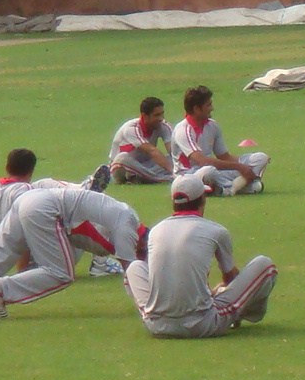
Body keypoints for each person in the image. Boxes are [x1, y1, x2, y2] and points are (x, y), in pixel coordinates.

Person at [0, 186, 144, 322]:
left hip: (31, 200)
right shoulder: (127, 227)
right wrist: (147, 308)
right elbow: (131, 273)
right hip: (46, 208)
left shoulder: (119, 218)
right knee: (60, 272)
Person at [126, 169, 278, 337]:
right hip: (201, 325)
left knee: (134, 268)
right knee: (266, 265)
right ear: (203, 199)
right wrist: (220, 291)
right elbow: (230, 278)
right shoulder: (216, 231)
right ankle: (243, 314)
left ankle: (154, 313)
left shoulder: (156, 231)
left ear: (173, 201)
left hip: (156, 325)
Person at [0, 148, 123, 276]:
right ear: (31, 171)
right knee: (88, 216)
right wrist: (23, 270)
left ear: (7, 167)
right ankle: (100, 264)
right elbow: (24, 234)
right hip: (45, 259)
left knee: (44, 185)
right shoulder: (25, 192)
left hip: (30, 254)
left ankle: (82, 190)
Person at [172, 84, 270, 195]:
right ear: (196, 109)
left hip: (214, 172)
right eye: (208, 105)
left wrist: (247, 166)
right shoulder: (183, 130)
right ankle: (236, 187)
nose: (212, 108)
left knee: (260, 158)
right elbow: (202, 161)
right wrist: (240, 167)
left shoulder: (212, 126)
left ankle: (226, 188)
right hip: (188, 176)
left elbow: (224, 157)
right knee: (208, 171)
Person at [110, 97, 176, 184]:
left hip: (147, 167)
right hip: (124, 168)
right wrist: (174, 172)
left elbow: (173, 150)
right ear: (145, 116)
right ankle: (161, 179)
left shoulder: (163, 125)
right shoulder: (131, 128)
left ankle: (140, 178)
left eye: (162, 114)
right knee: (121, 158)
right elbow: (152, 151)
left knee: (173, 157)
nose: (161, 118)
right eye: (157, 115)